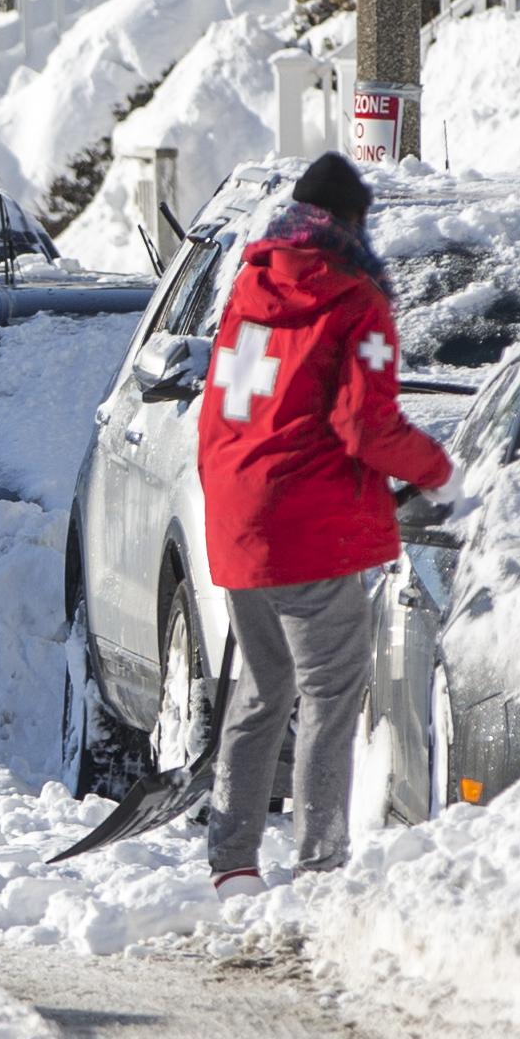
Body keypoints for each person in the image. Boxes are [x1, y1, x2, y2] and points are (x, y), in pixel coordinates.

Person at [195, 152, 453, 898]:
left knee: (263, 688)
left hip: (238, 517)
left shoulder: (248, 286)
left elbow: (225, 407)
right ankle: (318, 864)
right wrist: (440, 471)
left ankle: (233, 862)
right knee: (331, 695)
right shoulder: (356, 304)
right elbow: (365, 424)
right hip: (309, 525)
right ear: (349, 224)